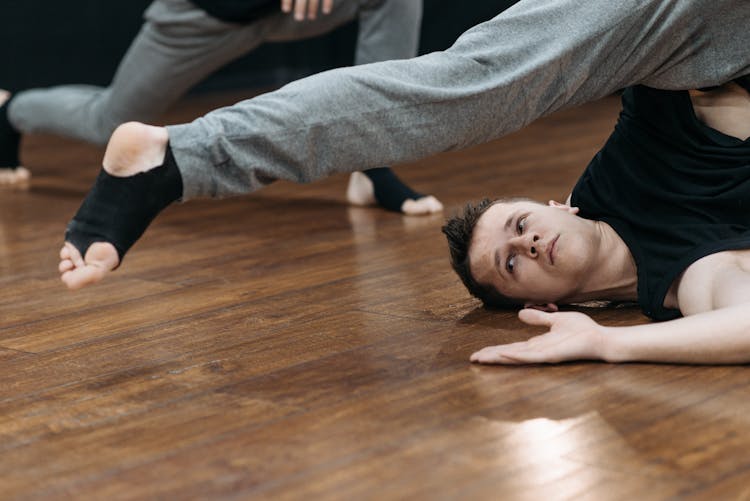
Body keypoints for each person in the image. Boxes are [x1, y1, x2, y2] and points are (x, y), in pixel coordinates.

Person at [56, 0, 749, 303]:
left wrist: (610, 343)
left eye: (514, 233)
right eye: (514, 254)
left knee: (475, 83)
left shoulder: (644, 246)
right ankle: (170, 160)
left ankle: (177, 162)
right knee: (474, 83)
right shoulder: (670, 259)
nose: (533, 241)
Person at [0, 0, 442, 214]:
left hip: (289, 9)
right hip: (203, 16)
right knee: (109, 121)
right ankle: (11, 111)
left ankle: (373, 166)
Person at [443, 78, 750, 365]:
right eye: (510, 263)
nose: (528, 243)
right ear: (539, 305)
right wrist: (603, 341)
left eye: (521, 224)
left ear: (559, 207)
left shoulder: (626, 154)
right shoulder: (687, 274)